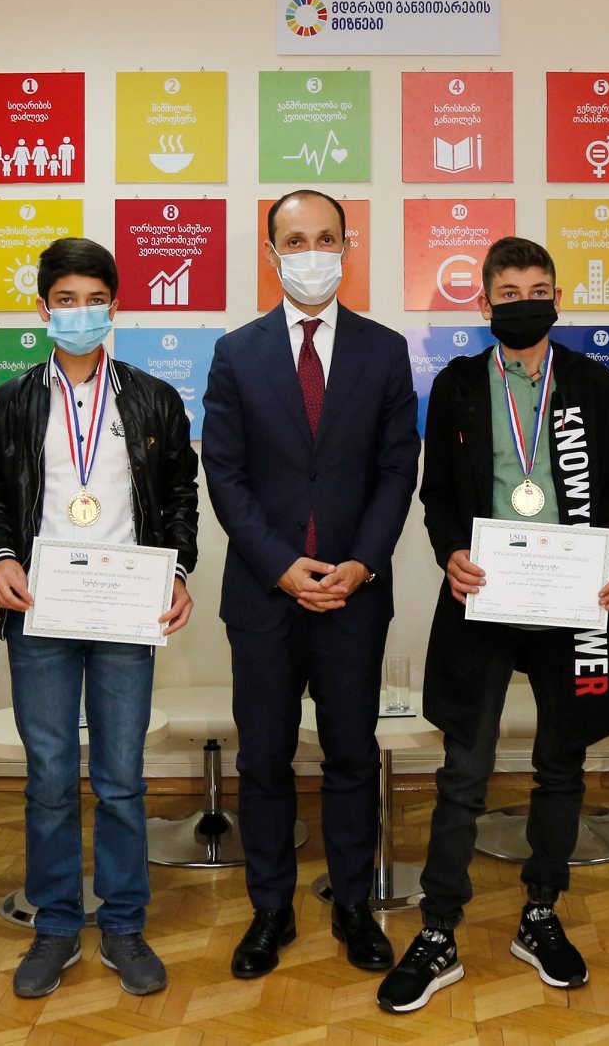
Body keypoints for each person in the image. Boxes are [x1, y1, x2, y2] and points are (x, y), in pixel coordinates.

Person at [378, 238, 609, 1015]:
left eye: (538, 289)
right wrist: (450, 553)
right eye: (509, 291)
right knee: (464, 769)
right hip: (482, 599)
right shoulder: (456, 383)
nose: (525, 301)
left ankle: (540, 912)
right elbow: (436, 497)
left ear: (557, 297)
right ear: (483, 302)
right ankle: (438, 929)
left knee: (561, 765)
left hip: (569, 601)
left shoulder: (590, 381)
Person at [201, 189, 420, 979]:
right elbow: (224, 473)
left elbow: (397, 467)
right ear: (271, 254)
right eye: (295, 240)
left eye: (326, 238)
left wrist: (361, 562)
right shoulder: (236, 352)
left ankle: (352, 904)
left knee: (351, 754)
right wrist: (281, 565)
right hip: (265, 593)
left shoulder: (383, 350)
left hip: (354, 593)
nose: (312, 252)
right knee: (263, 758)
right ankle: (270, 909)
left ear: (347, 247)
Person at [0, 237, 198, 999]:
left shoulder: (153, 399)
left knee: (121, 777)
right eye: (65, 300)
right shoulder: (10, 403)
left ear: (114, 305)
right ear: (41, 308)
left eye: (94, 299)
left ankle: (125, 923)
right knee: (47, 776)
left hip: (127, 610)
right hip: (40, 610)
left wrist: (178, 571)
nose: (80, 312)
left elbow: (179, 495)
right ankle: (56, 924)